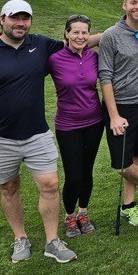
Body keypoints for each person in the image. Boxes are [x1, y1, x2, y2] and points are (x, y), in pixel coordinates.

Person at [0, 0, 78, 263]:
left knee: (50, 184)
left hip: (37, 133)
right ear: (2, 19)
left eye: (25, 18)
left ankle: (52, 241)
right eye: (15, 18)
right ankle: (20, 238)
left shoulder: (42, 45)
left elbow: (78, 42)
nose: (20, 23)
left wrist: (120, 27)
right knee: (9, 188)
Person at [98, 0, 138, 228]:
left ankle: (128, 206)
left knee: (135, 158)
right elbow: (105, 77)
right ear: (124, 5)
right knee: (122, 165)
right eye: (133, 2)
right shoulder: (111, 36)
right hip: (119, 107)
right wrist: (113, 116)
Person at [46, 14, 104, 238]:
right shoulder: (54, 59)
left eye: (84, 32)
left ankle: (83, 213)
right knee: (73, 175)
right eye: (75, 32)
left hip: (94, 122)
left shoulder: (94, 57)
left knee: (87, 171)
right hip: (68, 125)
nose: (80, 36)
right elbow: (26, 76)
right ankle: (69, 216)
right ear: (66, 34)